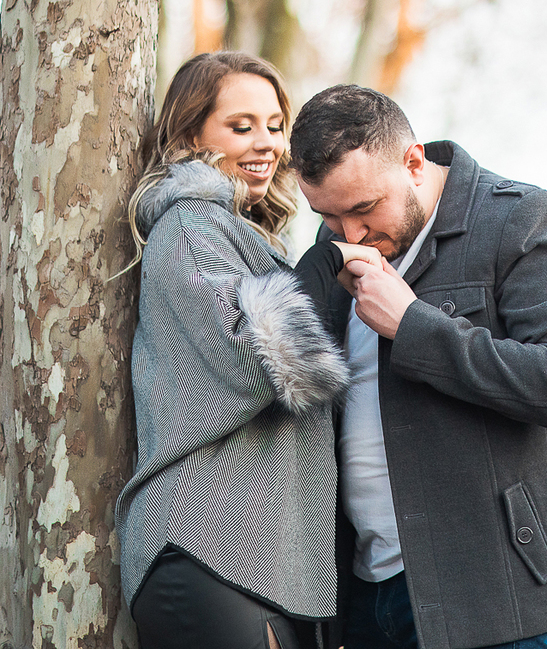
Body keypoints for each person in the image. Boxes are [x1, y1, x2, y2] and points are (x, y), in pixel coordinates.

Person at [289, 84, 547, 649]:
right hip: (359, 592)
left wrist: (413, 325)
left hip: (487, 590)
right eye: (330, 216)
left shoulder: (523, 219)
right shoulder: (334, 241)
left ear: (413, 162)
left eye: (364, 209)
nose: (350, 234)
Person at [114, 52, 379, 649]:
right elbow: (267, 357)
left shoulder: (249, 237)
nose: (266, 143)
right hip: (208, 545)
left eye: (274, 125)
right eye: (242, 127)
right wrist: (325, 264)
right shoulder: (191, 226)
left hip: (260, 558)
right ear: (189, 135)